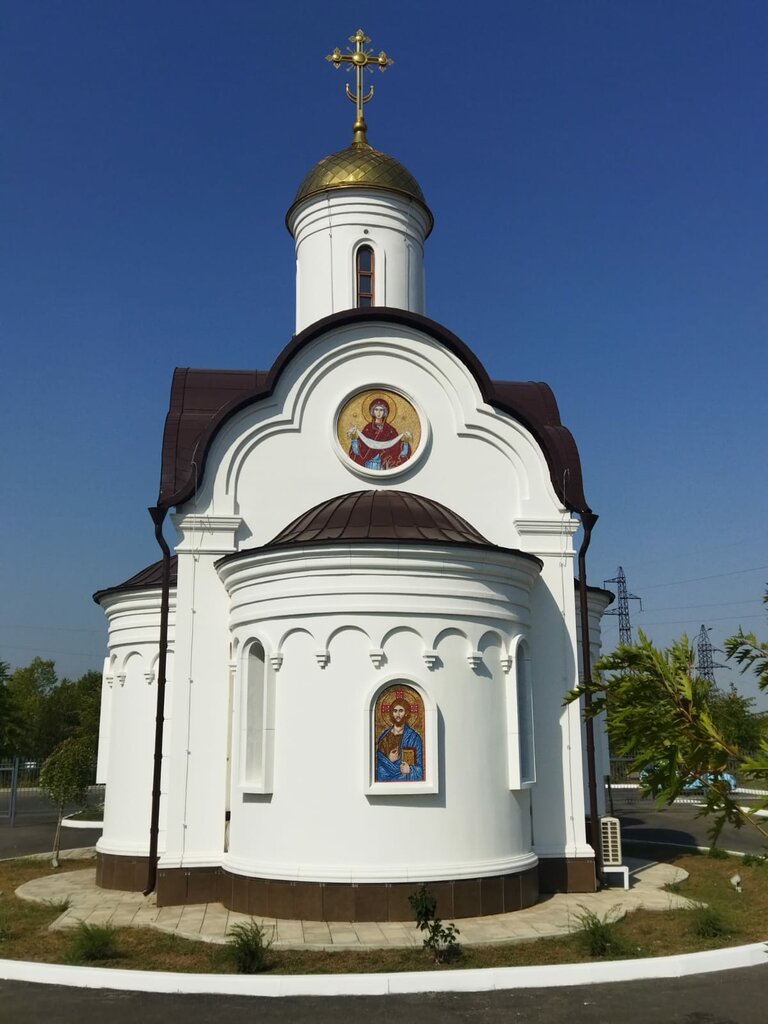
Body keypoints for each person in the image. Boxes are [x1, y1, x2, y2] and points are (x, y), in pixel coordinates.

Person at [348, 398, 412, 470]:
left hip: (384, 466)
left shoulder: (390, 430)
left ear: (385, 412)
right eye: (376, 410)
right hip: (369, 466)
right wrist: (354, 438)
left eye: (381, 410)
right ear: (372, 411)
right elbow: (358, 451)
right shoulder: (368, 428)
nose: (378, 413)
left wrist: (406, 442)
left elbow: (398, 450)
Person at [376, 696, 424, 781]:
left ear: (406, 713)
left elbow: (421, 769)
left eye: (401, 711)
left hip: (405, 777)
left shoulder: (414, 738)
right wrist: (389, 760)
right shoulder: (384, 737)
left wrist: (410, 769)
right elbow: (378, 766)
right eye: (395, 711)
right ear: (391, 713)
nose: (398, 714)